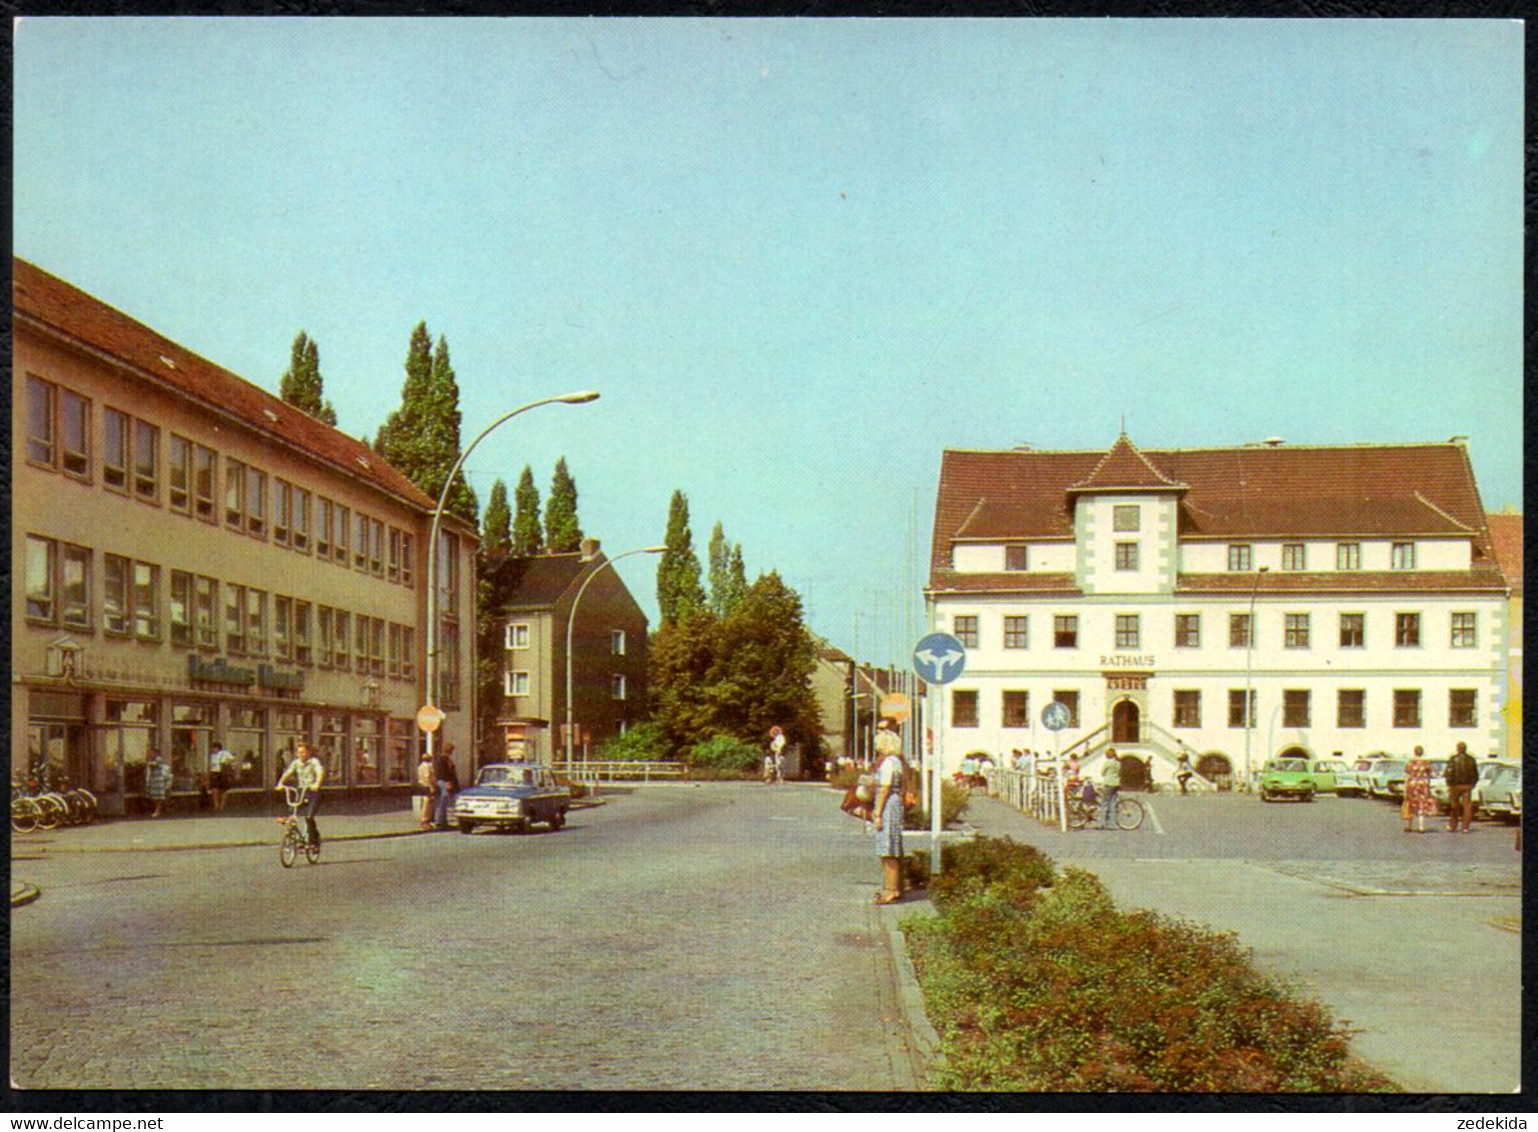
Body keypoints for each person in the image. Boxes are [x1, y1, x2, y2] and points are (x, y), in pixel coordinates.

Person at [872, 724, 906, 904]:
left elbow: (885, 788)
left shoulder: (887, 763)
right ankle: (892, 887)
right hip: (895, 802)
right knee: (891, 846)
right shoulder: (897, 761)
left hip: (888, 805)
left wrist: (877, 812)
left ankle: (891, 890)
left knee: (888, 848)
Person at [275, 742, 325, 849]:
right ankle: (295, 835)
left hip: (313, 792)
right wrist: (280, 783)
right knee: (293, 810)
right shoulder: (296, 763)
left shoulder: (314, 762)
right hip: (301, 790)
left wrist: (317, 784)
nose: (300, 754)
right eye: (298, 752)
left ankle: (314, 840)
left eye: (303, 752)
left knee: (309, 816)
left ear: (308, 753)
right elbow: (288, 773)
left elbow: (320, 772)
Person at [1444, 740, 1479, 834]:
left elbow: (1448, 772)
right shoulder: (1471, 759)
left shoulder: (1453, 759)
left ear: (1457, 749)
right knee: (1467, 806)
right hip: (1467, 786)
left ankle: (1453, 825)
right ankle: (1465, 827)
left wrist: (1449, 784)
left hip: (1455, 786)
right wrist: (1472, 784)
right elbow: (1476, 774)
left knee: (1454, 806)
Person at [1402, 745, 1436, 833]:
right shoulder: (1426, 763)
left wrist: (1405, 787)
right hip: (1423, 785)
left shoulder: (1411, 762)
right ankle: (1421, 827)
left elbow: (1407, 774)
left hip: (1412, 784)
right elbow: (1430, 774)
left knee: (1410, 804)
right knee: (1422, 804)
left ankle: (1409, 826)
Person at [432, 742, 460, 830]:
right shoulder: (442, 759)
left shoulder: (447, 759)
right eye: (451, 750)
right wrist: (447, 781)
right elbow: (442, 772)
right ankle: (440, 822)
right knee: (443, 801)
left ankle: (443, 821)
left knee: (445, 801)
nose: (452, 752)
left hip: (445, 781)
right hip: (443, 782)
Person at [208, 738, 236, 811]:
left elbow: (232, 759)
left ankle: (222, 805)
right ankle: (216, 804)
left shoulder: (224, 753)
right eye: (212, 748)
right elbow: (211, 765)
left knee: (223, 789)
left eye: (214, 748)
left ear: (218, 748)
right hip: (214, 772)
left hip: (223, 772)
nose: (213, 750)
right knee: (214, 789)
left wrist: (227, 762)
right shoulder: (212, 755)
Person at [144, 748, 172, 819]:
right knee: (154, 796)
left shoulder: (159, 759)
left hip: (159, 780)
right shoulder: (152, 759)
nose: (150, 754)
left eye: (152, 752)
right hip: (154, 780)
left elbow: (154, 765)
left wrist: (149, 763)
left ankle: (158, 811)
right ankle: (158, 810)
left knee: (158, 796)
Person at [1098, 748, 1122, 830]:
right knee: (1113, 804)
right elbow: (1118, 772)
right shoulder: (1118, 763)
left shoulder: (1107, 763)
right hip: (1116, 783)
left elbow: (1102, 773)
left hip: (1108, 783)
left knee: (1104, 803)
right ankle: (1113, 824)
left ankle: (1102, 823)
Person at [414, 750, 436, 830]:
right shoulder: (427, 766)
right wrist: (431, 786)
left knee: (426, 801)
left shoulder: (420, 766)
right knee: (427, 803)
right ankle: (425, 820)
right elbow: (427, 776)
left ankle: (426, 820)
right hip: (426, 785)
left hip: (421, 785)